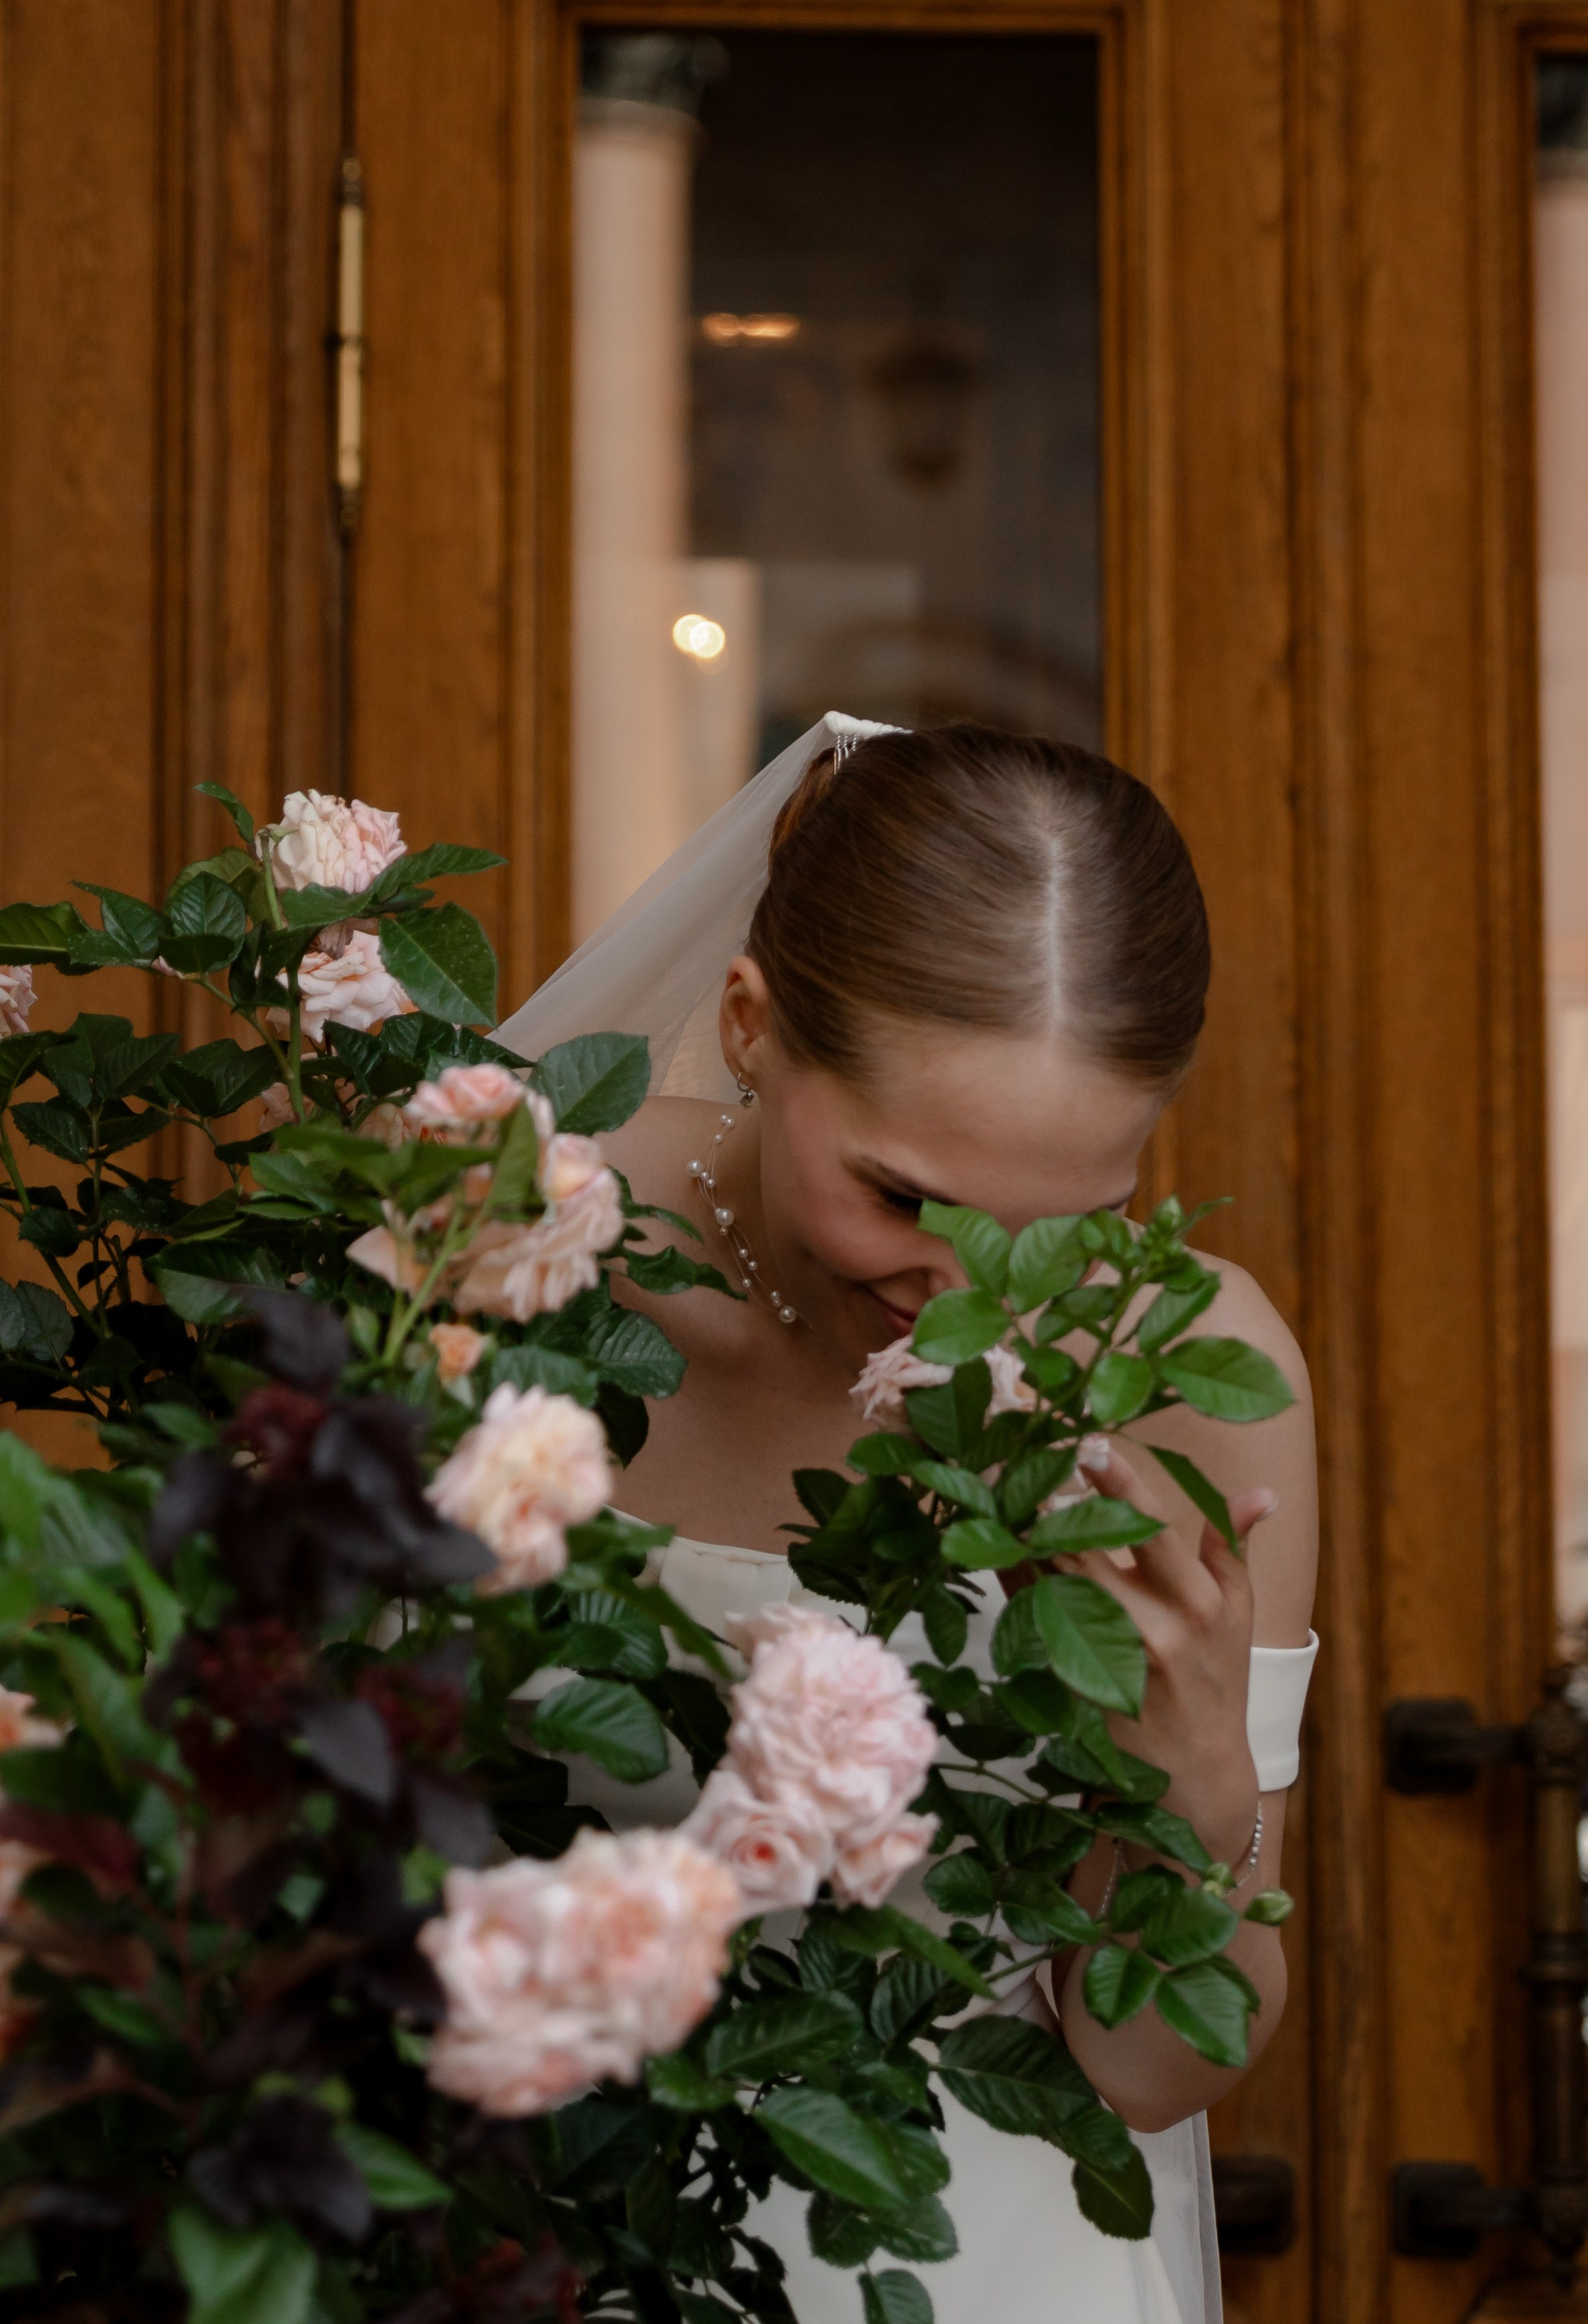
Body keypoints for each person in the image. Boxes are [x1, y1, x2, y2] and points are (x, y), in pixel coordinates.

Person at [496, 715, 1319, 2324]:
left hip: (1005, 2264)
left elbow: (1150, 2078)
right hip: (542, 2240)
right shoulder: (515, 1255)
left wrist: (1202, 1791)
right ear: (748, 1025)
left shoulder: (1188, 1375)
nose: (967, 1306)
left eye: (1064, 1229)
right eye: (905, 1199)